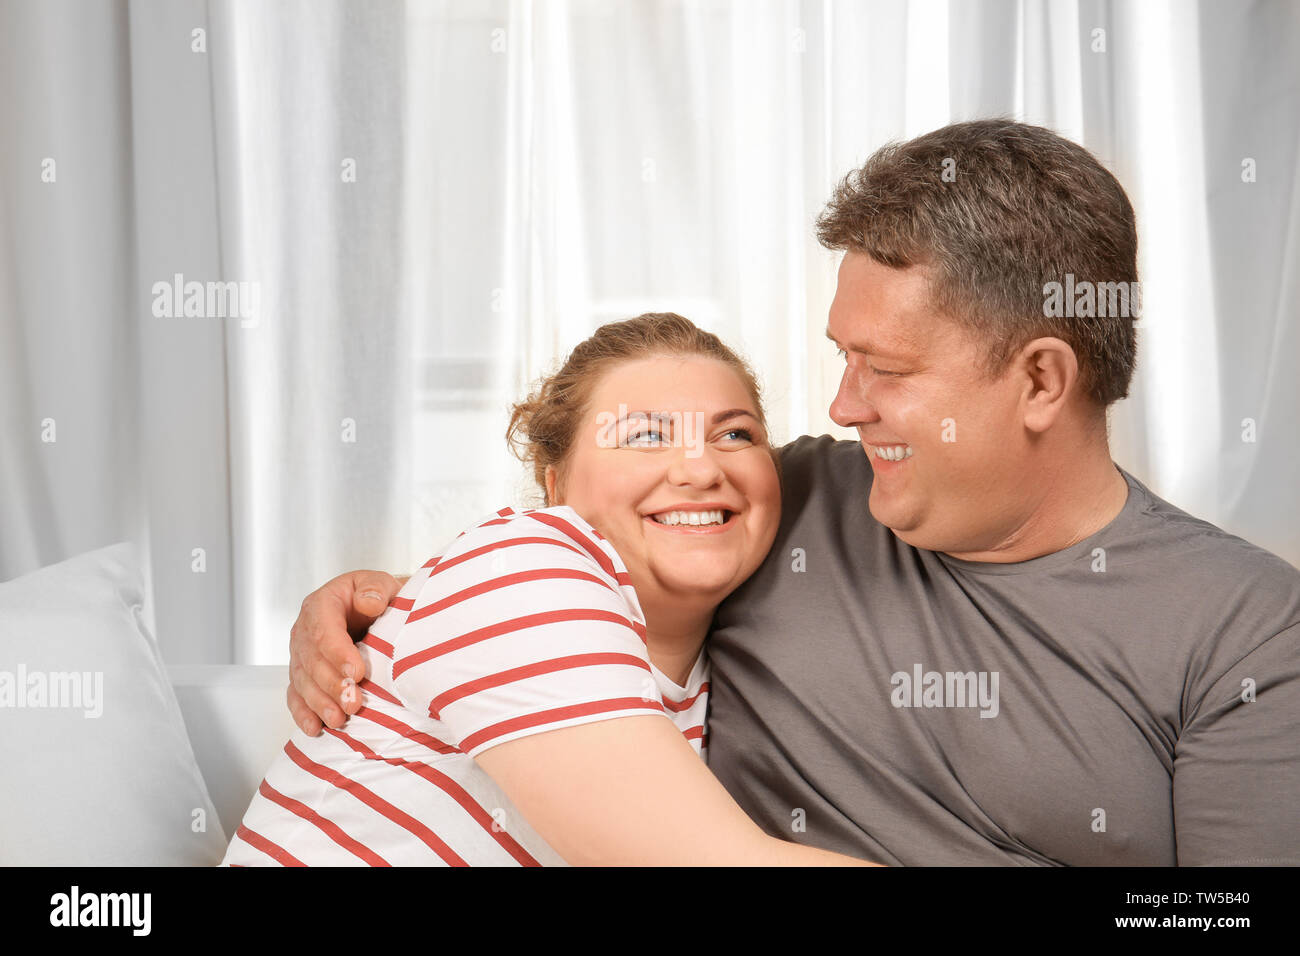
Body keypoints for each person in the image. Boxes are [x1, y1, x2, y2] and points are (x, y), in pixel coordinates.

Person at [289, 119, 1300, 866]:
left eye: (884, 367)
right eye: (839, 357)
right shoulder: (783, 501)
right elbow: (560, 567)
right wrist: (379, 601)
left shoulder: (1247, 624)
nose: (842, 403)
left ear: (1039, 380)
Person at [225, 312, 877, 866]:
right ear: (557, 484)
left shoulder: (719, 662)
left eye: (735, 434)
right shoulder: (518, 568)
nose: (701, 467)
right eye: (645, 436)